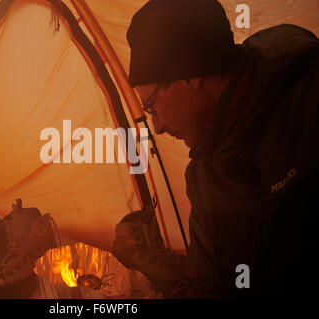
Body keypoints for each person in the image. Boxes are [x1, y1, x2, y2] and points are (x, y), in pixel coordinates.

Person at [112, 0, 318, 298]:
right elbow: (210, 282)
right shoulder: (206, 176)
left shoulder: (307, 102)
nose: (157, 127)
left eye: (152, 106)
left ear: (189, 75)